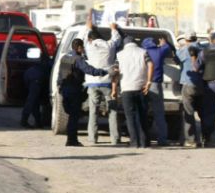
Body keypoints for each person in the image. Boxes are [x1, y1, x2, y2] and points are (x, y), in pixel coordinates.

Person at [78, 16, 122, 145]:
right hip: (108, 82)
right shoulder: (109, 45)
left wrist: (87, 27)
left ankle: (93, 138)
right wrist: (113, 29)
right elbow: (117, 39)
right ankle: (115, 139)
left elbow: (80, 39)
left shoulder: (88, 45)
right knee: (112, 111)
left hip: (92, 83)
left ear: (91, 38)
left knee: (93, 111)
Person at [57, 38, 108, 147]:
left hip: (64, 89)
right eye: (83, 47)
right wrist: (104, 72)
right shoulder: (78, 59)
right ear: (79, 48)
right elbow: (90, 70)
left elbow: (60, 74)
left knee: (71, 115)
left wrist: (59, 87)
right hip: (74, 90)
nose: (84, 49)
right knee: (74, 116)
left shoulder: (64, 57)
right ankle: (71, 140)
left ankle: (71, 139)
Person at [112, 37, 154, 148]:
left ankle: (134, 142)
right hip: (142, 88)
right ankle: (145, 142)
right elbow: (150, 64)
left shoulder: (119, 55)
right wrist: (149, 81)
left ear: (125, 44)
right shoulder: (143, 52)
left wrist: (114, 89)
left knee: (130, 117)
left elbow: (115, 73)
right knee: (142, 115)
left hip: (127, 89)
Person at [141, 36, 174, 147]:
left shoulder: (142, 52)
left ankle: (142, 139)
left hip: (141, 85)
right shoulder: (160, 51)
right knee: (159, 113)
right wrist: (163, 42)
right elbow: (168, 47)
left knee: (141, 112)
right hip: (155, 85)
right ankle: (162, 139)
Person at [176, 32, 205, 148]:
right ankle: (205, 138)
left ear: (186, 40)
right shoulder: (203, 49)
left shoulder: (184, 49)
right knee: (203, 113)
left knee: (188, 112)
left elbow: (176, 60)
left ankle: (191, 140)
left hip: (188, 83)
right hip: (203, 84)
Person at [21, 49, 53, 129]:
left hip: (29, 75)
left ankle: (37, 122)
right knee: (32, 101)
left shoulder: (38, 63)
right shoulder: (49, 64)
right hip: (37, 79)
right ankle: (24, 121)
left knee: (34, 101)